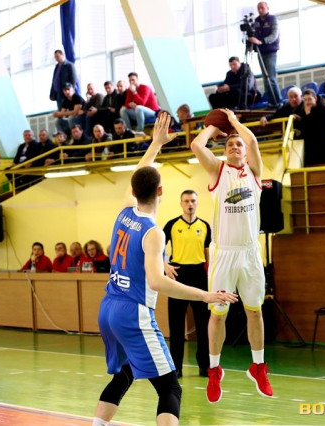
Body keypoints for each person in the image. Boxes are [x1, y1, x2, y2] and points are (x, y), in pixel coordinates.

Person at [92, 112, 237, 426]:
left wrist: (156, 144)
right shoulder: (153, 232)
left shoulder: (124, 212)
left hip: (108, 307)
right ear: (161, 192)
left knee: (124, 375)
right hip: (133, 313)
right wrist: (205, 295)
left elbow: (139, 174)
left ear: (134, 191)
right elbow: (157, 282)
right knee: (171, 388)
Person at [190, 108, 273, 403]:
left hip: (250, 253)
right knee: (218, 315)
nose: (235, 147)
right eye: (230, 144)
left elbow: (253, 142)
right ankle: (214, 370)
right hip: (224, 254)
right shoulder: (218, 171)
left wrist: (235, 123)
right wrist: (216, 127)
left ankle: (258, 366)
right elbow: (196, 145)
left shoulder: (254, 172)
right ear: (224, 151)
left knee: (255, 311)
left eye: (238, 144)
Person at [163, 190, 212, 379]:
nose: (190, 204)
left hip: (199, 275)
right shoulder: (172, 225)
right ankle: (176, 367)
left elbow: (209, 254)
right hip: (178, 275)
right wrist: (164, 265)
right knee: (176, 326)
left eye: (193, 201)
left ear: (197, 203)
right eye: (186, 201)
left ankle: (205, 366)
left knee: (203, 325)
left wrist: (211, 276)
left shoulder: (205, 226)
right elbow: (156, 247)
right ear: (181, 203)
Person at [248, 2, 282, 108]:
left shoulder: (273, 19)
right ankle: (271, 103)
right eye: (258, 8)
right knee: (265, 79)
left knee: (270, 78)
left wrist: (261, 41)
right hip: (260, 52)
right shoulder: (256, 21)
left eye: (262, 7)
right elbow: (254, 35)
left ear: (267, 8)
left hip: (271, 52)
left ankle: (278, 101)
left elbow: (274, 35)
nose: (260, 10)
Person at [295, 88, 325, 166]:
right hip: (310, 143)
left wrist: (308, 114)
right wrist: (300, 119)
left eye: (309, 99)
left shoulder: (324, 110)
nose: (307, 102)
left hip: (323, 142)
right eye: (305, 100)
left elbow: (316, 129)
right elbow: (305, 128)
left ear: (315, 98)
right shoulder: (303, 110)